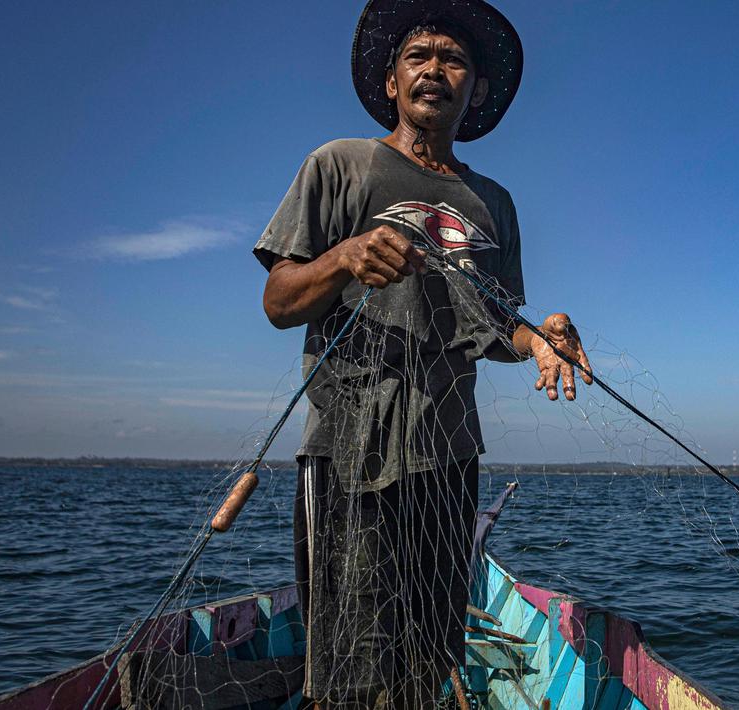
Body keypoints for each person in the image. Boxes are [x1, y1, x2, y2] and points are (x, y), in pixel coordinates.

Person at [253, 1, 590, 706]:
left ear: (476, 91)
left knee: (429, 652)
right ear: (390, 82)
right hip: (352, 451)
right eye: (419, 56)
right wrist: (344, 256)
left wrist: (541, 341)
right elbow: (280, 301)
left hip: (449, 453)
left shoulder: (491, 199)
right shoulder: (339, 163)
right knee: (352, 660)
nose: (435, 69)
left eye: (454, 60)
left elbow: (494, 326)